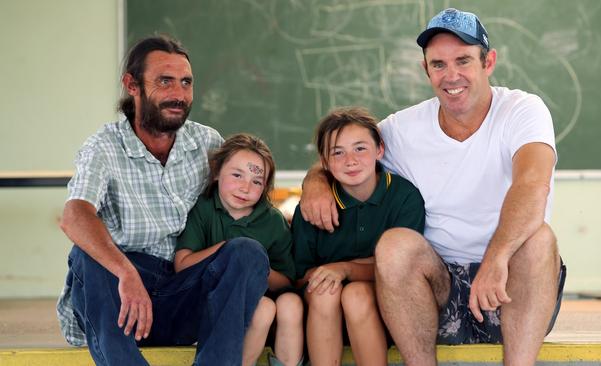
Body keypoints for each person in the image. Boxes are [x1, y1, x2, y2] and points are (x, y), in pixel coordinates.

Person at [299, 8, 566, 366]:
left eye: (463, 60)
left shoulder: (523, 110)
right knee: (395, 244)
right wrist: (314, 181)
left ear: (489, 62)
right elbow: (348, 153)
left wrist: (496, 257)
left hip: (513, 281)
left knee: (540, 239)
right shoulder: (404, 128)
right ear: (426, 70)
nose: (451, 75)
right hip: (437, 288)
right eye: (438, 64)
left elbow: (533, 185)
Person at [56, 35, 270, 366]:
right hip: (120, 300)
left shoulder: (207, 142)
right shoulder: (104, 147)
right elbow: (74, 215)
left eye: (186, 83)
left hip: (181, 291)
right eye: (165, 81)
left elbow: (253, 177)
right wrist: (126, 273)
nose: (178, 95)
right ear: (132, 85)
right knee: (85, 254)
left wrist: (315, 182)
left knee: (247, 252)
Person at [292, 107, 425, 366]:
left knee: (356, 295)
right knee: (324, 291)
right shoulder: (313, 207)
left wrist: (345, 269)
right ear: (325, 161)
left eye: (360, 148)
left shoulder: (403, 196)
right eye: (338, 152)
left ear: (380, 150)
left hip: (386, 311)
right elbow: (300, 276)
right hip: (323, 314)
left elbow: (403, 271)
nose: (350, 160)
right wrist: (332, 275)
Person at [174, 133, 304, 366]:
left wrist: (252, 265)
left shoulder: (273, 220)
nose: (245, 187)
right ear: (216, 172)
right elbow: (182, 264)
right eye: (237, 175)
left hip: (269, 301)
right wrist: (229, 253)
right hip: (215, 304)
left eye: (257, 181)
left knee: (290, 305)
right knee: (261, 309)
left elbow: (286, 281)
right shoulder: (203, 209)